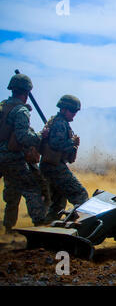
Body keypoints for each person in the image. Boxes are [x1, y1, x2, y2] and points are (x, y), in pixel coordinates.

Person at [0, 70, 47, 232]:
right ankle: (41, 227)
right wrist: (40, 136)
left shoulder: (3, 107)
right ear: (27, 92)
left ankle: (7, 229)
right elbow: (23, 137)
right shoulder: (21, 111)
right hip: (12, 158)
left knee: (12, 193)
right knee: (32, 189)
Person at [40, 95, 88, 222]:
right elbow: (56, 144)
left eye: (76, 111)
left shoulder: (56, 121)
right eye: (73, 111)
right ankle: (84, 226)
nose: (74, 114)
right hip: (55, 166)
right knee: (80, 194)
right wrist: (72, 142)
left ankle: (46, 228)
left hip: (49, 166)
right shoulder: (60, 123)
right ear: (64, 109)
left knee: (58, 204)